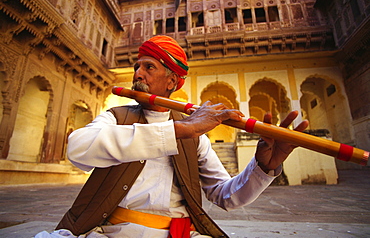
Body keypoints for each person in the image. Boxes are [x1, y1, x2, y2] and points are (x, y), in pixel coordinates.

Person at [35, 36, 308, 238]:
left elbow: (226, 196)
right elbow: (78, 147)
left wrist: (264, 166)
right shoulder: (115, 117)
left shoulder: (195, 137)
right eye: (137, 66)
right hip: (113, 232)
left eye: (149, 67)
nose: (138, 73)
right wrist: (179, 130)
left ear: (172, 81)